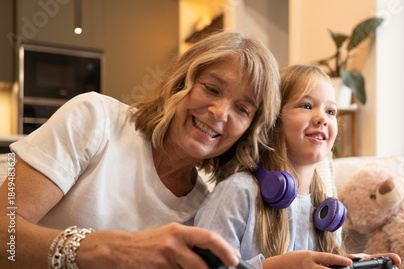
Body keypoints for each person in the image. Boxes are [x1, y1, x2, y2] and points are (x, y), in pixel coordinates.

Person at [0, 30, 281, 268]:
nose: (220, 113)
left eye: (242, 109)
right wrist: (108, 250)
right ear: (181, 83)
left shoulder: (204, 209)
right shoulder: (95, 119)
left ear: (248, 131)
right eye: (211, 89)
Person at [194, 64, 402, 269]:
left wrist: (345, 264)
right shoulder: (238, 192)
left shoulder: (326, 211)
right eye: (307, 106)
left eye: (330, 111)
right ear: (274, 119)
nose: (322, 118)